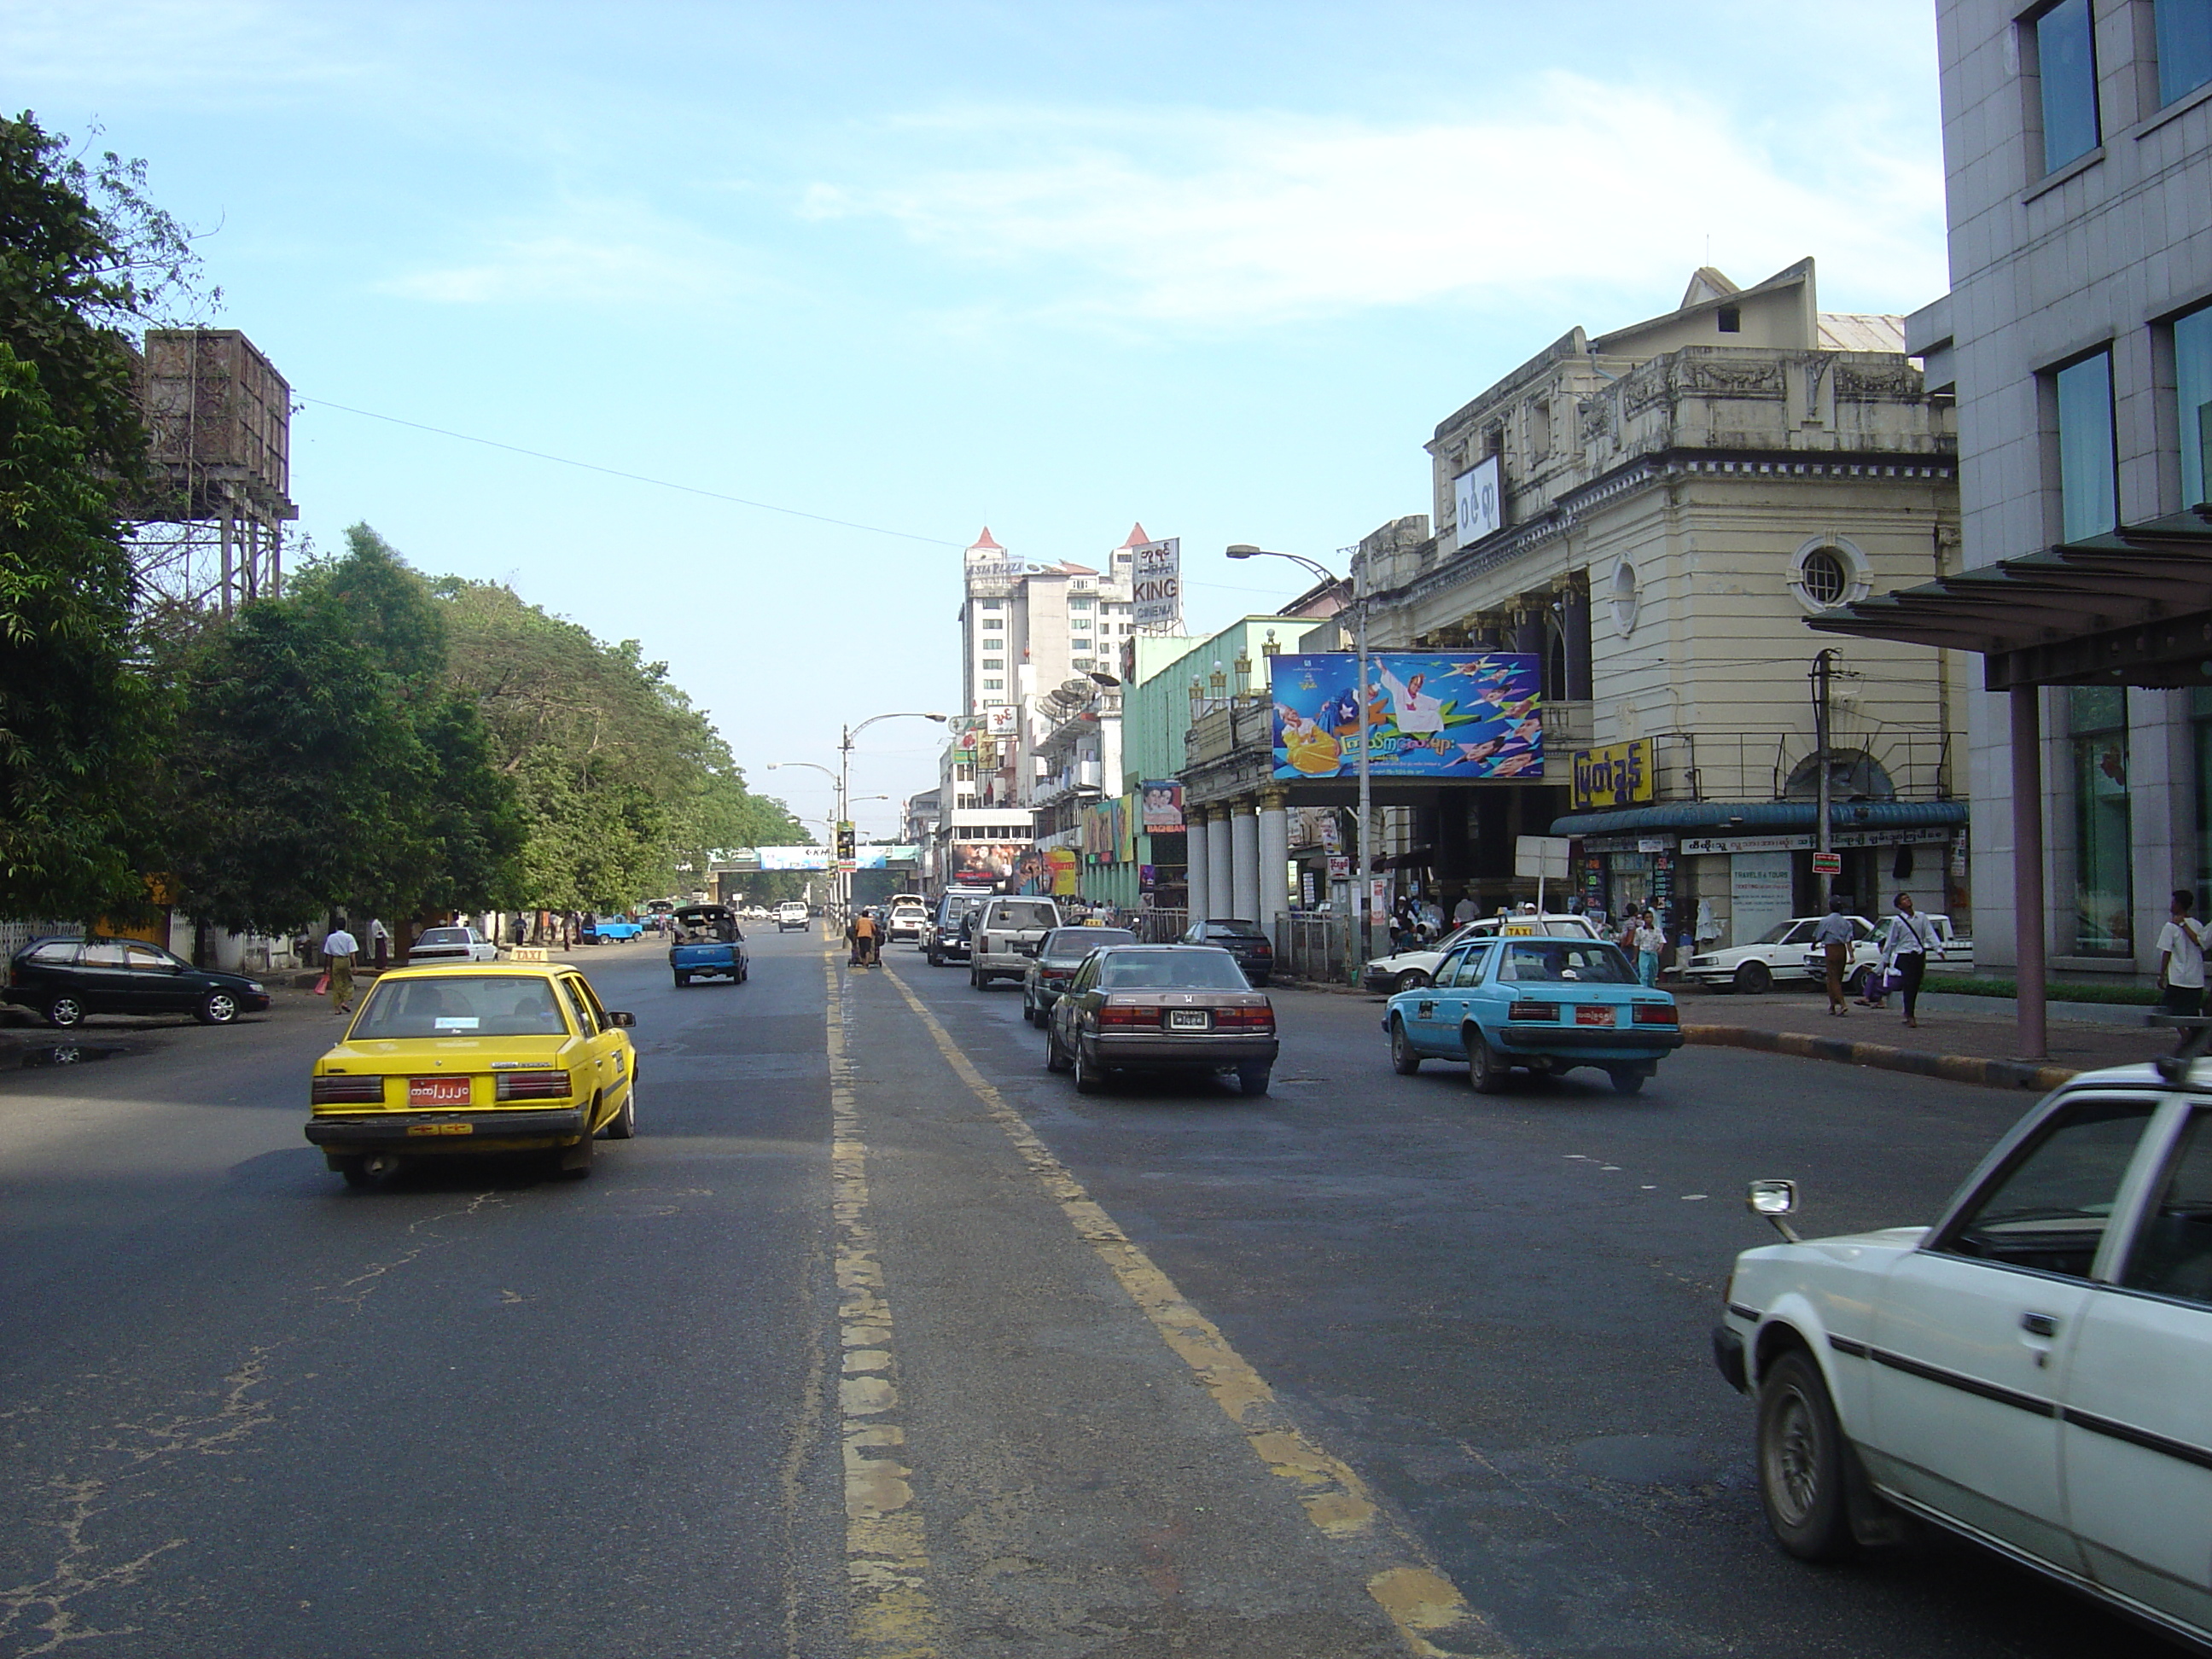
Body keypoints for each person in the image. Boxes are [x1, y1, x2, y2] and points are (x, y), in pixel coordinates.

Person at [1876, 893, 1933, 1028]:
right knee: (1909, 984)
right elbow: (1891, 941)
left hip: (1918, 954)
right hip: (1904, 955)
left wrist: (1938, 949)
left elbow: (1930, 933)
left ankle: (1908, 1012)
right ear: (1900, 906)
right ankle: (1910, 1014)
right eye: (1904, 900)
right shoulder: (1897, 921)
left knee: (1915, 984)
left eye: (1908, 898)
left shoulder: (1921, 917)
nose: (1908, 900)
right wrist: (1886, 958)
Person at [2157, 888, 2206, 1018]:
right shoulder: (2198, 925)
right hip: (2196, 978)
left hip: (2178, 978)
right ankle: (2190, 1037)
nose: (2171, 905)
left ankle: (2186, 1036)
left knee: (2168, 1011)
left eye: (2173, 902)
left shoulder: (2170, 926)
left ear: (2178, 904)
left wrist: (2162, 974)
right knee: (2191, 1014)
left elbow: (2166, 952)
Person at [1811, 895, 1855, 1016]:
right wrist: (1851, 955)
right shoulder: (1847, 923)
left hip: (1831, 949)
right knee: (1836, 978)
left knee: (1833, 978)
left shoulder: (1825, 921)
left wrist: (1814, 944)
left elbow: (1818, 935)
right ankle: (1832, 1006)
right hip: (1842, 950)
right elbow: (1849, 940)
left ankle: (1842, 1004)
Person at [322, 922, 360, 1015]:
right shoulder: (349, 937)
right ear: (345, 926)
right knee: (348, 982)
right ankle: (345, 1001)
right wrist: (355, 966)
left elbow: (328, 954)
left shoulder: (331, 937)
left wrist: (328, 966)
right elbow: (352, 953)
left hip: (335, 961)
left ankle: (337, 1009)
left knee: (336, 984)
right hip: (345, 960)